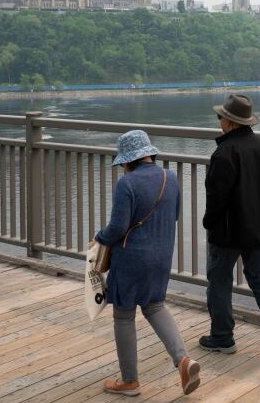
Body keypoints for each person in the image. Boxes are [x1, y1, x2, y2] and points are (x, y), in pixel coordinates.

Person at [95, 129, 200, 396]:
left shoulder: (127, 184)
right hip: (161, 256)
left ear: (128, 161)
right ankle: (183, 360)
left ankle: (129, 381)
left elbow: (117, 228)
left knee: (124, 315)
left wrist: (99, 237)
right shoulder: (171, 177)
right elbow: (174, 216)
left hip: (131, 258)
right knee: (155, 306)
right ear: (150, 154)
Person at [200, 94, 260, 359]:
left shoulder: (224, 152)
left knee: (219, 281)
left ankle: (222, 337)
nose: (218, 119)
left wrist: (209, 222)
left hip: (228, 232)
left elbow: (217, 197)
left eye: (220, 116)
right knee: (259, 276)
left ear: (231, 123)